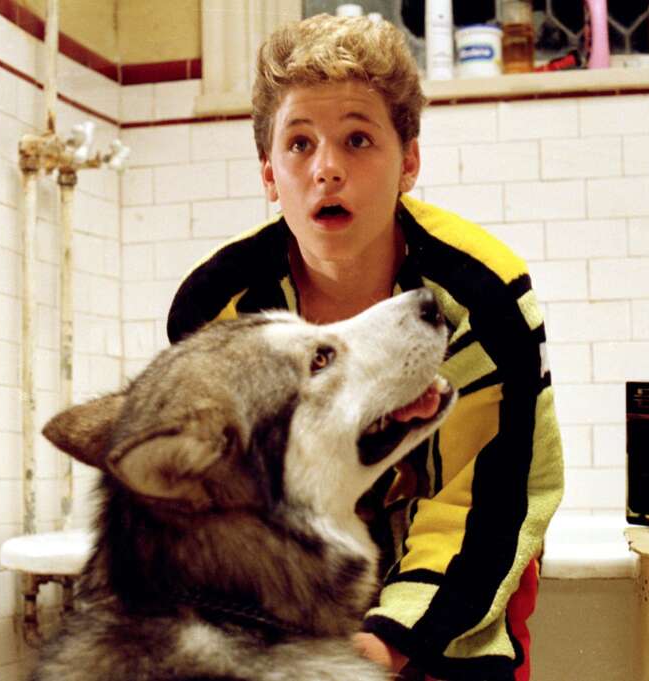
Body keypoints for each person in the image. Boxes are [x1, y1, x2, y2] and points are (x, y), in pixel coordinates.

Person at [166, 13, 564, 681]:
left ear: (408, 162)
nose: (326, 169)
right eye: (299, 144)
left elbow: (488, 494)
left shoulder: (484, 295)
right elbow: (224, 499)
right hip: (293, 584)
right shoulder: (216, 314)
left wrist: (389, 640)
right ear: (269, 174)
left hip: (458, 573)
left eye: (357, 140)